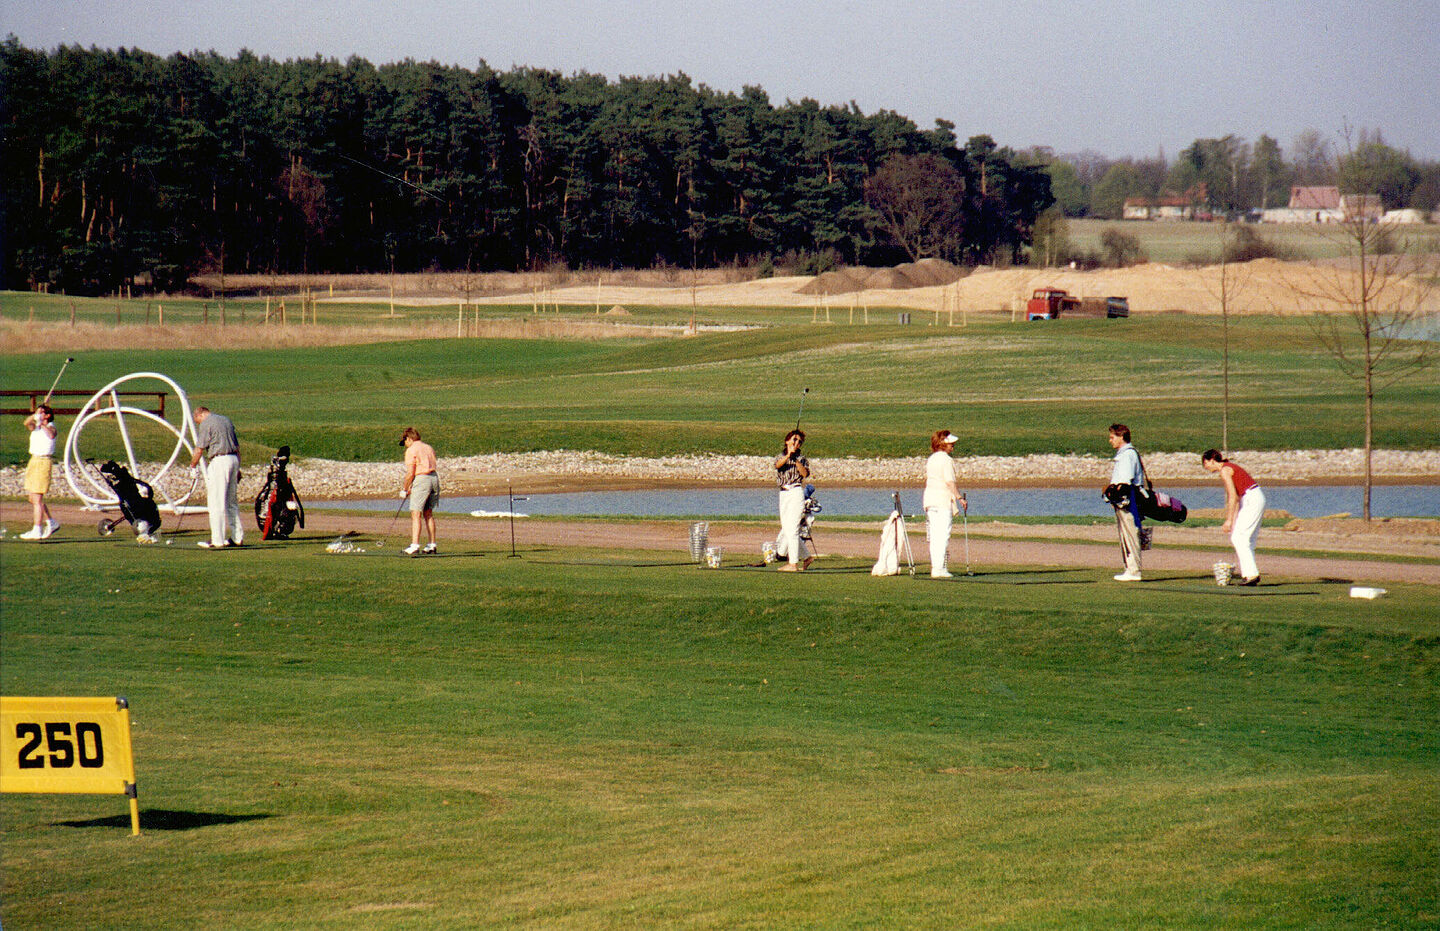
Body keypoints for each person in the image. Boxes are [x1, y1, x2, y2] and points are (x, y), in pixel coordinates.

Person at [1202, 449, 1265, 585]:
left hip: (1251, 498)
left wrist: (1229, 520)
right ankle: (1250, 575)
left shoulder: (1225, 470)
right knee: (1246, 540)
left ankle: (1251, 575)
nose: (1205, 467)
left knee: (1238, 538)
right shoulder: (1228, 468)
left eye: (1205, 463)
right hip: (1254, 497)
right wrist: (1233, 521)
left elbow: (1233, 497)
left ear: (1212, 460)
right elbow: (1236, 498)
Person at [189, 406, 243, 548]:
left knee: (215, 503)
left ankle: (217, 540)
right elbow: (237, 448)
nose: (199, 424)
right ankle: (237, 537)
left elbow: (199, 449)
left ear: (199, 415)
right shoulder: (226, 420)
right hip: (233, 460)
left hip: (219, 461)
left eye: (197, 421)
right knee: (231, 502)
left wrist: (193, 466)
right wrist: (238, 469)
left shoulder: (207, 423)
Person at [923, 430, 964, 578]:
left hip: (930, 500)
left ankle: (937, 567)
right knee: (942, 535)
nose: (952, 446)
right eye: (950, 444)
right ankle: (939, 569)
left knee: (935, 536)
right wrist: (959, 497)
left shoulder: (932, 459)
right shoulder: (946, 460)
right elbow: (949, 482)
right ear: (943, 444)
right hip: (941, 500)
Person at [1106, 423, 1144, 581]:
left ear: (1121, 437)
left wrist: (1115, 494)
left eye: (1112, 437)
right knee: (1126, 534)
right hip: (1125, 501)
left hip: (1128, 502)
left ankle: (1133, 571)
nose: (1110, 441)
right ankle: (1130, 568)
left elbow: (1126, 481)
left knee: (1130, 534)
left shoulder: (1127, 454)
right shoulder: (1125, 453)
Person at [773, 429, 811, 571]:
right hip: (783, 493)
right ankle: (807, 557)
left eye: (799, 441)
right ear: (787, 441)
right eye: (794, 440)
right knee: (788, 529)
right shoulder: (780, 457)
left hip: (795, 492)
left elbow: (805, 473)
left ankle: (793, 563)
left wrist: (795, 460)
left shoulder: (801, 459)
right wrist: (789, 455)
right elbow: (778, 465)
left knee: (793, 529)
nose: (796, 443)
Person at [20, 404, 59, 540]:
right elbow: (27, 423)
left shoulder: (51, 426)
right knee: (32, 498)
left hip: (43, 462)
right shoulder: (35, 427)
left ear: (47, 416)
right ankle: (51, 522)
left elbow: (51, 434)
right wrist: (35, 416)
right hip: (34, 461)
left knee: (37, 499)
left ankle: (37, 529)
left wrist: (42, 423)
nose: (38, 414)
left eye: (41, 413)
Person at [400, 427, 439, 556]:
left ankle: (415, 545)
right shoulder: (429, 447)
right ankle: (432, 544)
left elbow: (411, 472)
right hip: (434, 478)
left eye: (404, 442)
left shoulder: (411, 450)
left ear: (409, 439)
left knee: (415, 513)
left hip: (422, 479)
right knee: (428, 513)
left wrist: (405, 489)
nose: (405, 445)